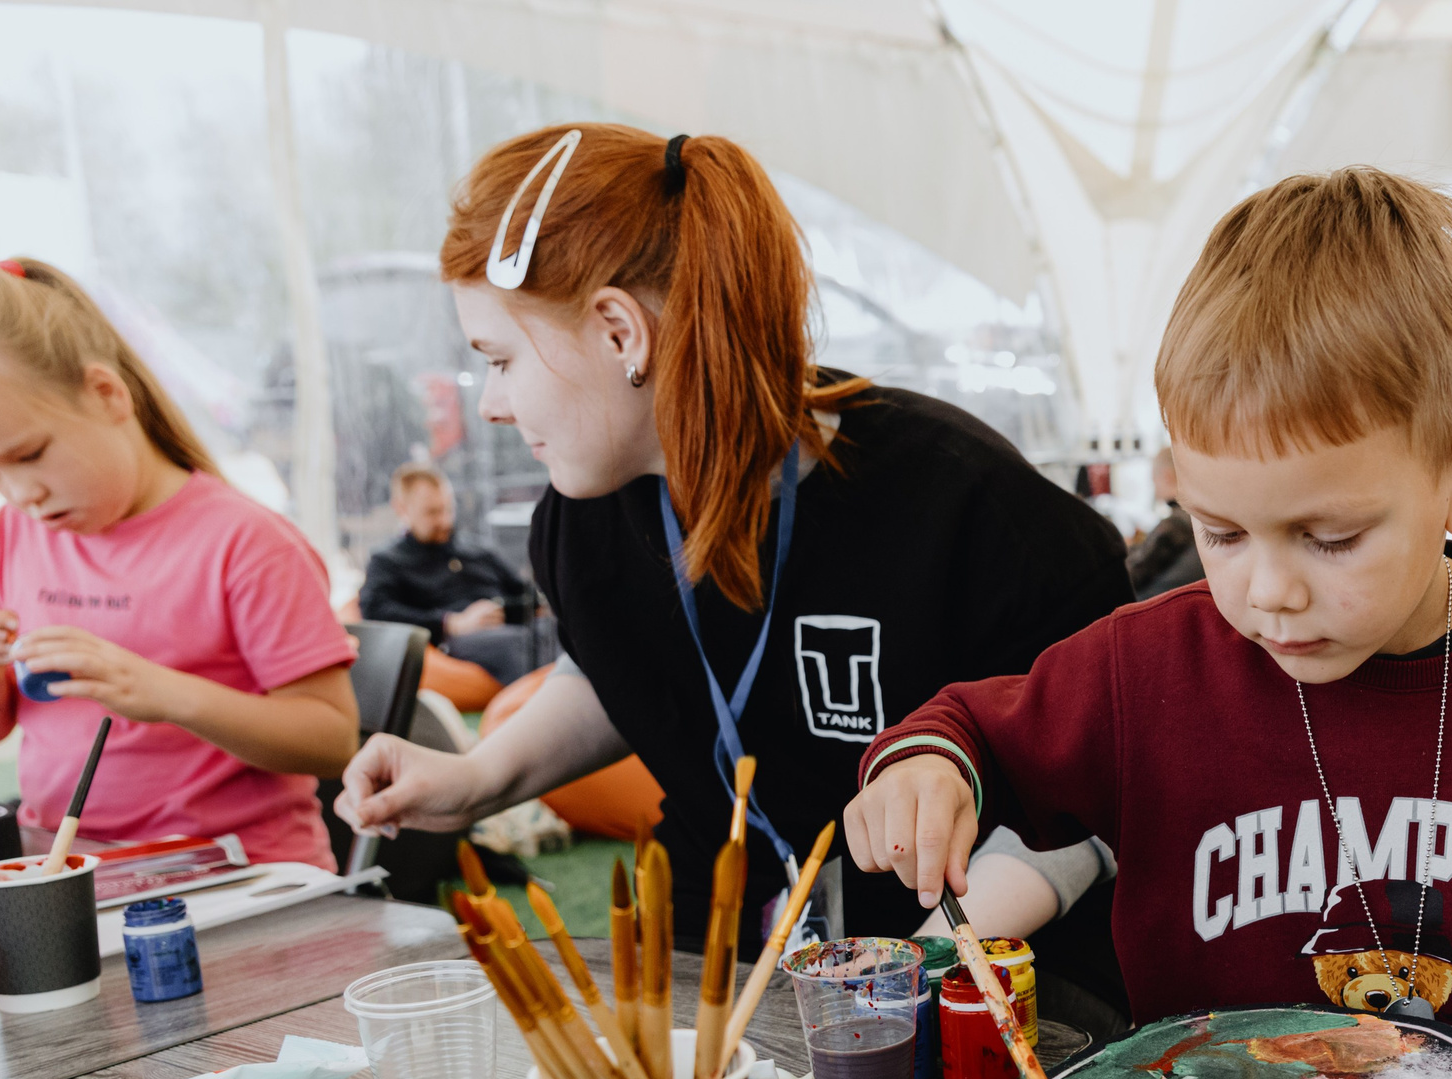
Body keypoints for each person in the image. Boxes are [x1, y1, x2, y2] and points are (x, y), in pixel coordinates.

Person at [843, 167, 1452, 1079]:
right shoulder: (1154, 662)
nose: (1267, 590)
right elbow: (975, 728)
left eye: (1329, 536)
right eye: (1221, 530)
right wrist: (924, 766)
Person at [335, 126, 1131, 954]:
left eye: (499, 359)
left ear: (619, 332)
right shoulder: (583, 511)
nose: (492, 404)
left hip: (981, 976)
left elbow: (1104, 787)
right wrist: (475, 779)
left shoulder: (964, 502)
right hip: (721, 956)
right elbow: (624, 666)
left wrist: (924, 970)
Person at [0, 260, 359, 869]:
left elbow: (332, 740)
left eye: (28, 455)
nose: (19, 493)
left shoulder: (244, 542)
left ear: (107, 395)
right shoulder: (13, 536)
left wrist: (161, 693)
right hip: (63, 869)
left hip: (235, 873)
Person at [360, 463, 548, 685]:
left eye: (448, 509)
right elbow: (376, 610)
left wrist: (499, 609)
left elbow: (529, 597)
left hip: (511, 627)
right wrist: (450, 623)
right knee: (515, 645)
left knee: (557, 632)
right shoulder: (388, 561)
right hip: (458, 642)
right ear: (401, 508)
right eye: (432, 512)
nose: (445, 521)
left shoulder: (478, 550)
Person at [1124, 447, 1203, 599]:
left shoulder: (1176, 524)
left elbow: (1133, 573)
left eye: (1154, 481)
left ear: (1167, 477)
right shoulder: (1196, 517)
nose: (1154, 488)